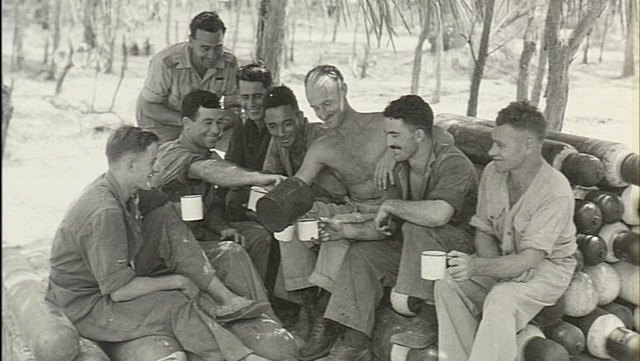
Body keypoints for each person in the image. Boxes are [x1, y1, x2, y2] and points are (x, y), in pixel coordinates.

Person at [46, 126, 277, 361]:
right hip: (87, 305)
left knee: (164, 213)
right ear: (131, 165)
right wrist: (177, 281)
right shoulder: (105, 212)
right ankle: (241, 357)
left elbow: (163, 202)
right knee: (175, 303)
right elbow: (119, 291)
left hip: (108, 282)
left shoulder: (124, 187)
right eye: (152, 161)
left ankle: (223, 298)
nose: (157, 167)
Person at [434, 101, 577, 361]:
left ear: (529, 146)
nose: (491, 152)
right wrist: (491, 266)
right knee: (448, 281)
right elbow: (484, 230)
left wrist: (478, 268)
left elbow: (530, 261)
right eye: (493, 142)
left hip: (547, 268)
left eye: (500, 146)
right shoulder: (493, 173)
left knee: (502, 299)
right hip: (505, 259)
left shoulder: (555, 191)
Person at [156, 90, 284, 282]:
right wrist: (257, 178)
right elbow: (208, 171)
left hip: (199, 235)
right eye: (207, 123)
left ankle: (255, 296)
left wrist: (222, 227)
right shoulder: (171, 153)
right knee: (231, 252)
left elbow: (213, 204)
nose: (216, 130)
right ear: (186, 123)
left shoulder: (210, 156)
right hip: (173, 244)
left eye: (219, 122)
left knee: (257, 236)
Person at [136, 11, 238, 144]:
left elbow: (234, 105)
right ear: (191, 41)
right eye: (205, 48)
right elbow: (148, 107)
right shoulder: (165, 62)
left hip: (206, 124)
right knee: (172, 159)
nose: (212, 55)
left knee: (239, 148)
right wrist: (189, 123)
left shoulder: (229, 63)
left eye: (218, 48)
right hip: (163, 124)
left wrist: (222, 121)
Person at [224, 63, 274, 222]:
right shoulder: (243, 125)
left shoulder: (279, 125)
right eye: (245, 97)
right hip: (248, 197)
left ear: (269, 93)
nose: (251, 104)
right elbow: (231, 167)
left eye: (258, 96)